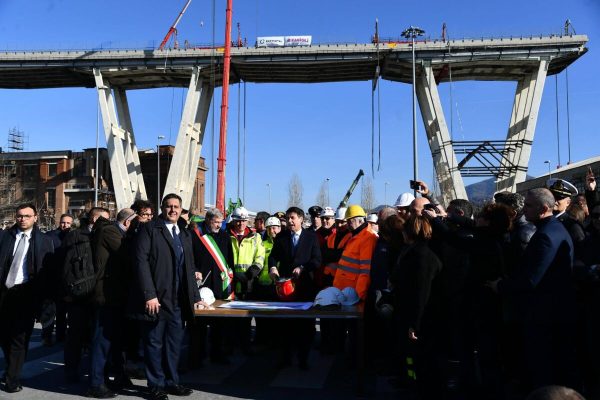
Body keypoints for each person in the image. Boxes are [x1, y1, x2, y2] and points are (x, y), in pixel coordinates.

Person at [490, 188, 579, 392]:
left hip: (546, 316)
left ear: (544, 209)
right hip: (553, 312)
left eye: (529, 206)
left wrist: (500, 286)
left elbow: (531, 280)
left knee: (546, 370)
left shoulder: (545, 236)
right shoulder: (553, 229)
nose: (524, 209)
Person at [130, 193, 203, 400]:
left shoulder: (184, 233)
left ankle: (172, 382)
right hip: (157, 300)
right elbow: (140, 262)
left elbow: (189, 267)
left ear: (181, 209)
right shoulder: (149, 229)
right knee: (154, 344)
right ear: (163, 208)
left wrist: (195, 296)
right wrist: (149, 294)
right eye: (169, 206)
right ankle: (155, 385)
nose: (173, 210)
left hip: (179, 301)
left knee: (174, 345)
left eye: (176, 206)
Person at [0, 203, 55, 393]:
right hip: (4, 293)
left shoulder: (44, 240)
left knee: (20, 337)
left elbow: (48, 273)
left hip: (27, 294)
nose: (22, 219)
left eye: (27, 216)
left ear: (35, 218)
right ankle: (10, 368)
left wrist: (46, 302)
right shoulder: (5, 237)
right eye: (20, 216)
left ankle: (12, 379)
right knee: (4, 336)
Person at [389, 214, 443, 399]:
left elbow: (422, 293)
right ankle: (409, 381)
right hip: (409, 313)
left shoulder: (422, 257)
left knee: (420, 357)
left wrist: (415, 324)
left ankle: (419, 386)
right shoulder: (413, 252)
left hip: (420, 318)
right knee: (409, 354)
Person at [86, 208, 137, 398]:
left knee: (117, 339)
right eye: (136, 223)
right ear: (127, 223)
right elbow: (128, 255)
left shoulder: (116, 232)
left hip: (117, 295)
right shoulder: (110, 232)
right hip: (106, 295)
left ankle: (117, 375)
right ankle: (96, 383)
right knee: (102, 340)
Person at [268, 207, 321, 369]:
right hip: (285, 289)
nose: (289, 221)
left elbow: (317, 260)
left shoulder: (311, 237)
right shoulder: (282, 237)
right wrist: (272, 268)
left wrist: (303, 268)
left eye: (292, 218)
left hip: (305, 287)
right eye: (288, 218)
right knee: (285, 324)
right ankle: (285, 358)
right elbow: (273, 256)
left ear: (300, 219)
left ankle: (303, 359)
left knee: (304, 326)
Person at [64, 207, 110, 384]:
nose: (108, 224)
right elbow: (66, 266)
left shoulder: (103, 236)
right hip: (79, 295)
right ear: (94, 220)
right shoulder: (76, 236)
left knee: (97, 337)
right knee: (75, 335)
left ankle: (96, 372)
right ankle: (71, 371)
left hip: (99, 295)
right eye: (105, 220)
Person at [189, 207, 234, 365]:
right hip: (202, 284)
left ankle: (217, 354)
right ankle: (197, 356)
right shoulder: (196, 235)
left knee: (219, 323)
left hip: (219, 284)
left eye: (220, 223)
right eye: (216, 222)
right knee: (199, 324)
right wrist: (195, 270)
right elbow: (190, 257)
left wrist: (230, 277)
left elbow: (229, 259)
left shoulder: (224, 235)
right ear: (208, 220)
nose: (218, 225)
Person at [228, 206, 265, 353]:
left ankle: (244, 345)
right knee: (230, 317)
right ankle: (231, 345)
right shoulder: (226, 236)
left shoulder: (255, 237)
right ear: (234, 220)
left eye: (243, 221)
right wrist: (231, 274)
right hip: (230, 281)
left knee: (246, 316)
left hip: (249, 282)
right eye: (238, 221)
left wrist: (253, 271)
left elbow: (260, 256)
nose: (241, 224)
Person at [331, 205, 378, 301]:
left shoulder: (368, 238)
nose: (347, 224)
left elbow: (365, 271)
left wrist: (359, 296)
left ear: (360, 221)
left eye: (350, 221)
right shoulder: (355, 236)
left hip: (352, 295)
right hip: (344, 291)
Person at [42, 213, 74, 346]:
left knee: (62, 311)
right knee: (49, 311)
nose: (65, 225)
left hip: (65, 280)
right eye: (63, 222)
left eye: (68, 223)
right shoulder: (50, 236)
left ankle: (61, 335)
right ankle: (47, 336)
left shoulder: (73, 237)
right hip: (51, 279)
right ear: (59, 222)